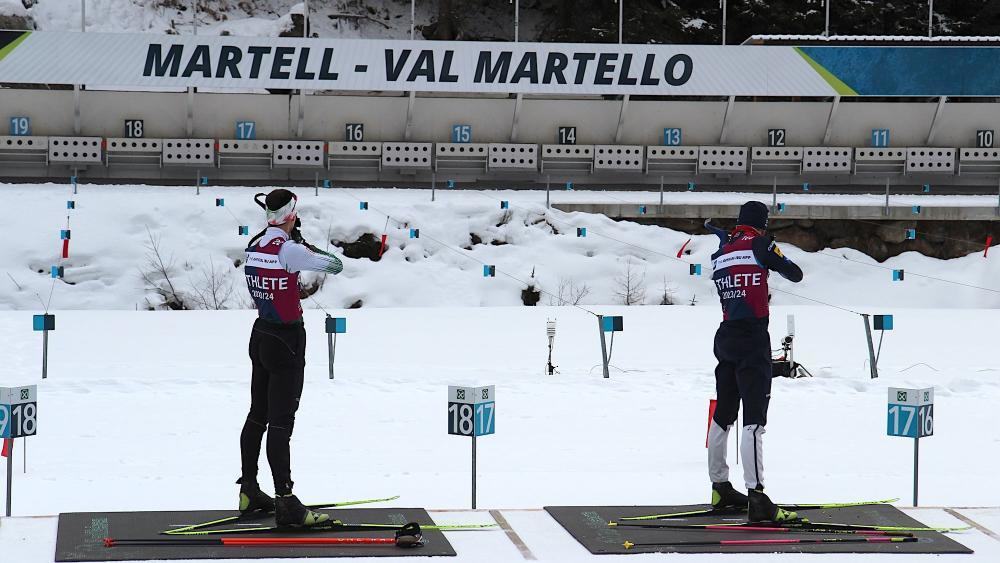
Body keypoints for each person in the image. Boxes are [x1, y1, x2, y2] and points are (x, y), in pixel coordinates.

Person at [238, 189, 344, 528]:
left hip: (260, 334)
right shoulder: (290, 250)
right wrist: (302, 244)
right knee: (281, 423)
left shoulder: (255, 244)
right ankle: (285, 502)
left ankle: (249, 489)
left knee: (258, 415)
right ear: (291, 215)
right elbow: (335, 264)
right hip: (287, 340)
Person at [706, 201, 804, 523]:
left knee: (723, 414)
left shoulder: (721, 251)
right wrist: (771, 249)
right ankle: (757, 497)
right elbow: (795, 274)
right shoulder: (760, 244)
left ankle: (720, 488)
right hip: (753, 338)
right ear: (762, 224)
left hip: (725, 336)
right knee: (754, 420)